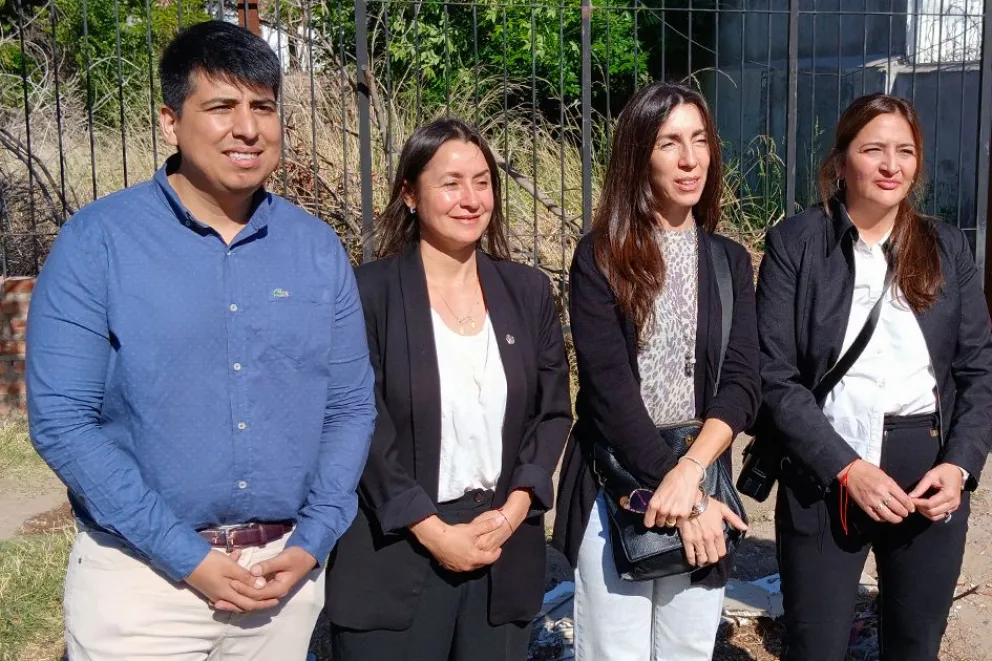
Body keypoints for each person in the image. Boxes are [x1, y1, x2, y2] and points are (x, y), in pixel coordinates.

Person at [26, 20, 376, 660]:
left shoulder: (316, 249)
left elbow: (349, 406)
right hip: (142, 582)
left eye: (263, 107)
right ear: (170, 121)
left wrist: (314, 539)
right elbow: (62, 421)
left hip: (281, 578)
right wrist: (185, 555)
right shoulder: (99, 242)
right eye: (221, 107)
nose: (248, 128)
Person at [324, 118, 572, 661]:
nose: (471, 199)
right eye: (451, 183)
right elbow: (360, 423)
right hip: (397, 550)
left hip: (501, 544)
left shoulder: (528, 292)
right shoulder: (368, 294)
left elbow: (552, 413)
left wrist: (513, 511)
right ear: (410, 194)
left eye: (482, 182)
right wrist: (433, 531)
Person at [757, 93, 992, 661]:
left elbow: (978, 367)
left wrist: (959, 465)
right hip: (825, 467)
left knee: (915, 644)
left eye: (905, 151)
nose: (892, 166)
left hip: (926, 469)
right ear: (841, 162)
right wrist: (846, 468)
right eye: (873, 150)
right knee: (816, 645)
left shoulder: (946, 246)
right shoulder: (796, 244)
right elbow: (775, 375)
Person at [552, 82, 760, 660]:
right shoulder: (600, 255)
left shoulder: (729, 260)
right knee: (613, 650)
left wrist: (690, 476)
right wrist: (683, 497)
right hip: (618, 482)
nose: (690, 159)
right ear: (639, 155)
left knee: (688, 648)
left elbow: (743, 382)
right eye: (669, 143)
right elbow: (608, 393)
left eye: (700, 140)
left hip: (702, 475)